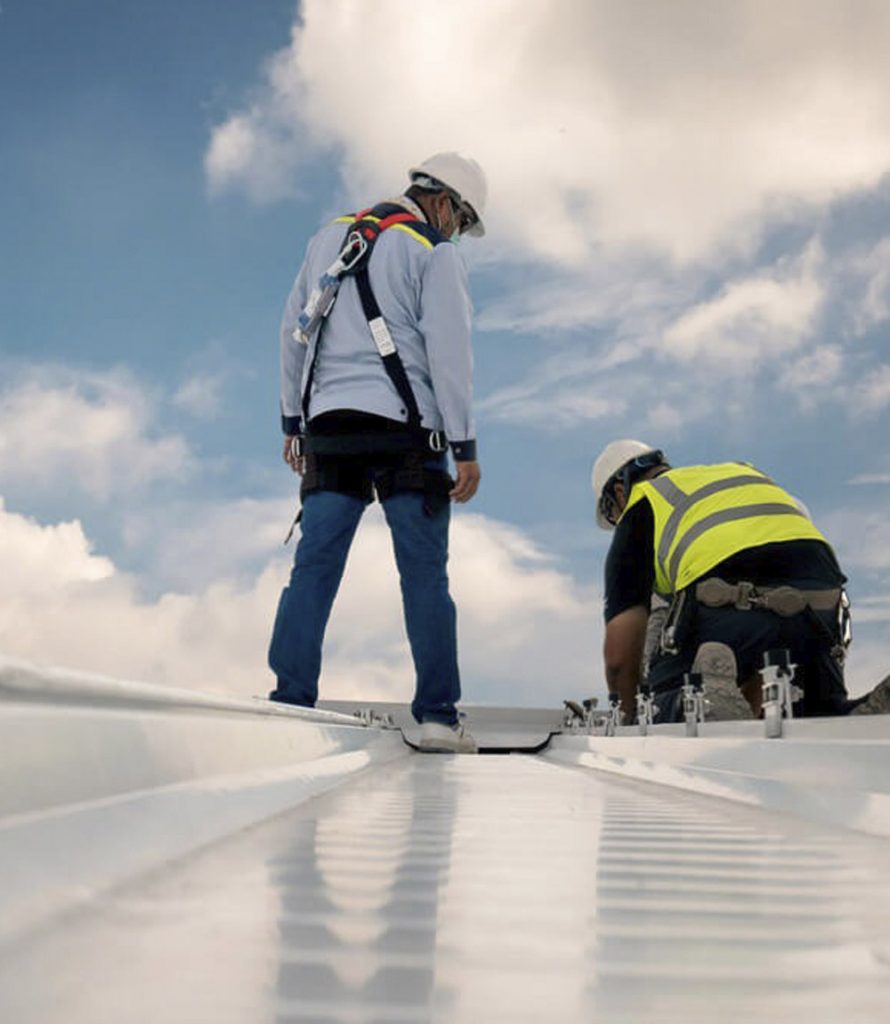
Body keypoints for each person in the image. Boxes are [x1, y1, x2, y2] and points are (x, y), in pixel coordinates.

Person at [268, 153, 486, 753]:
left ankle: (289, 703)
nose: (457, 233)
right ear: (442, 201)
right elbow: (450, 354)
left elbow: (294, 327)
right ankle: (438, 717)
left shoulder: (327, 237)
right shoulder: (432, 252)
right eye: (462, 220)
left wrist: (294, 421)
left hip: (330, 430)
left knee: (313, 568)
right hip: (407, 437)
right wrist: (463, 444)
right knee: (423, 576)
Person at [591, 440, 859, 723]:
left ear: (619, 492)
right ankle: (858, 713)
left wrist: (631, 718)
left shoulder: (644, 503)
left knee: (665, 700)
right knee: (821, 715)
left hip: (729, 606)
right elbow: (766, 641)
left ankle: (697, 699)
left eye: (612, 514)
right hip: (820, 606)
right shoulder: (738, 473)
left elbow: (620, 658)